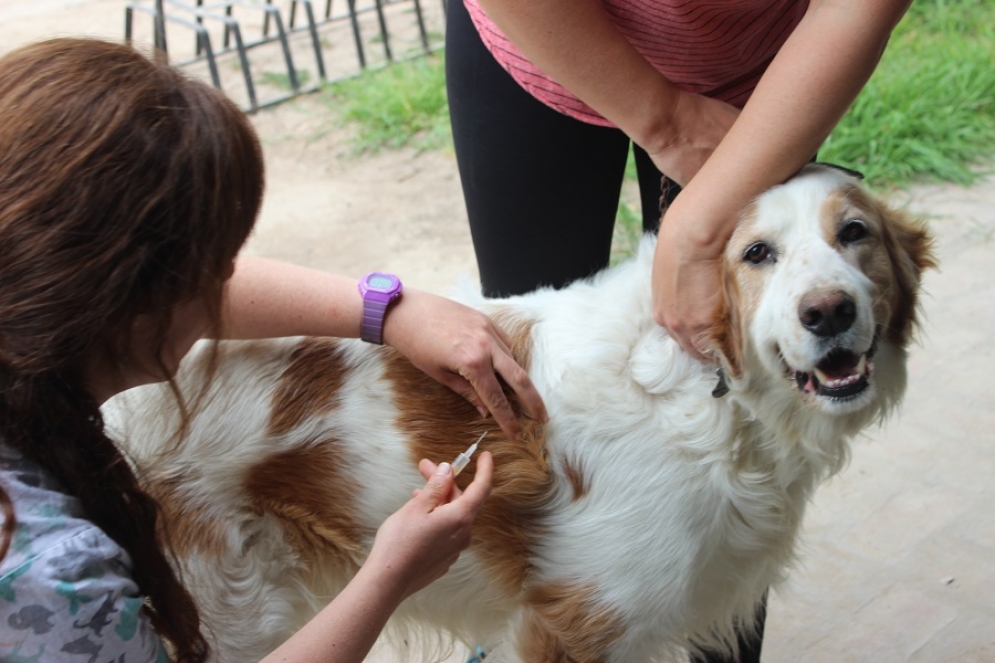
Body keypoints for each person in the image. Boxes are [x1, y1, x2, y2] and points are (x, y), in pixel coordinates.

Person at [0, 38, 546, 662]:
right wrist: (387, 576)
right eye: (214, 266)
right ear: (127, 298)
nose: (228, 285)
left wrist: (388, 310)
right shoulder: (52, 578)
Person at [446, 0, 912, 660]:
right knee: (521, 390)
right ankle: (516, 624)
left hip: (760, 69)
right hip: (543, 39)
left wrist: (699, 230)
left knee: (754, 416)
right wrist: (663, 122)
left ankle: (713, 629)